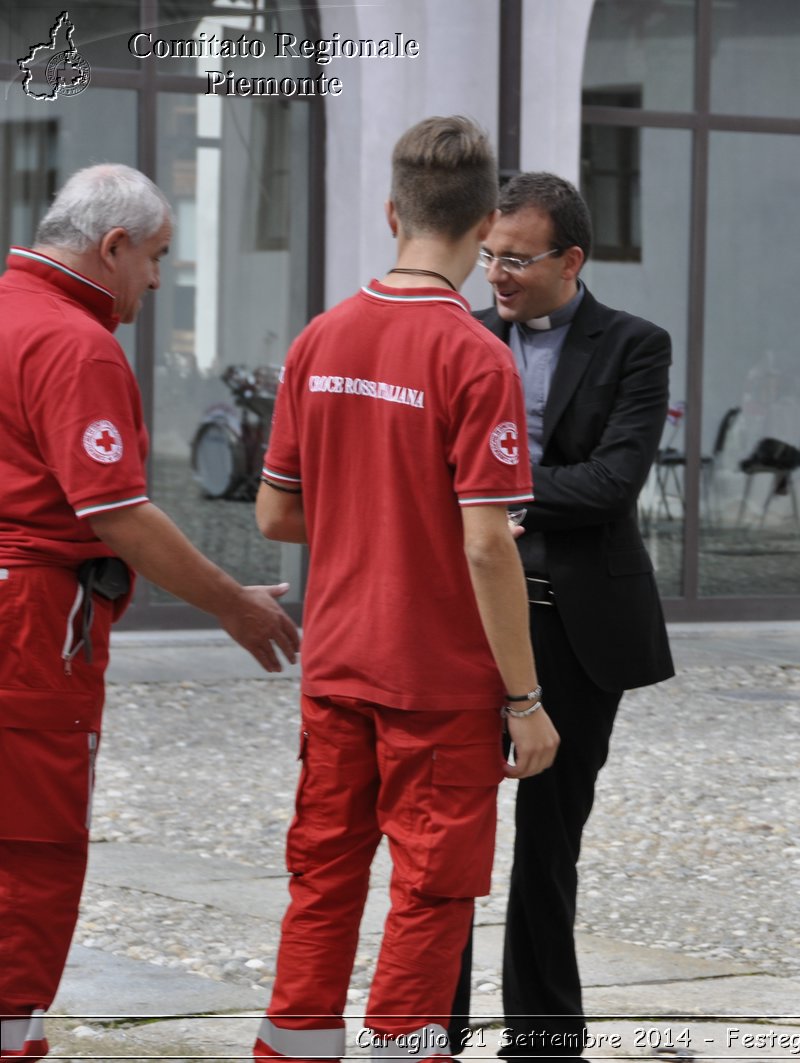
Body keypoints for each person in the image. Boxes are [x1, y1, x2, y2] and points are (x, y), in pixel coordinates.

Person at [252, 116, 559, 1063]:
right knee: (431, 894)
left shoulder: (320, 338)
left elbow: (275, 514)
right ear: (482, 229)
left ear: (392, 212)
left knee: (323, 879)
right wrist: (527, 700)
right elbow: (485, 546)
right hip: (436, 684)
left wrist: (373, 509)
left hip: (337, 665)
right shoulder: (475, 357)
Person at [0, 163, 300, 1063]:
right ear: (113, 247)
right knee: (32, 836)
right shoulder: (74, 341)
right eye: (158, 258)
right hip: (31, 621)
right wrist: (235, 605)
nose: (159, 281)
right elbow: (117, 512)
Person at [446, 172, 674, 1059]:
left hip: (576, 622)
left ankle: (543, 1037)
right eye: (489, 255)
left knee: (548, 843)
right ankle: (438, 1025)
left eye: (517, 259)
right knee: (452, 836)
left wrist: (496, 493)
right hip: (470, 610)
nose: (496, 274)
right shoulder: (462, 337)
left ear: (571, 259)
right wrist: (486, 506)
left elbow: (614, 484)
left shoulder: (633, 346)